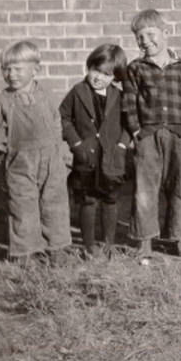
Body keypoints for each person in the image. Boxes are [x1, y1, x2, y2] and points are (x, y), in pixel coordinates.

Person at [123, 9, 181, 258]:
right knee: (145, 188)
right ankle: (144, 239)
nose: (146, 41)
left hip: (180, 137)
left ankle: (179, 236)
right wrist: (137, 131)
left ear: (165, 33)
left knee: (179, 186)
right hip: (148, 136)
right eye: (140, 37)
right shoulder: (136, 68)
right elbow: (129, 102)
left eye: (150, 34)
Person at [0, 41, 71, 263]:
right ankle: (26, 251)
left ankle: (57, 248)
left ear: (36, 70)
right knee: (22, 205)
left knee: (55, 203)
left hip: (51, 159)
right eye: (6, 69)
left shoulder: (47, 95)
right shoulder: (0, 101)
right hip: (19, 161)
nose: (11, 74)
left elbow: (56, 123)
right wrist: (5, 152)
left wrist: (61, 153)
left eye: (17, 69)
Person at [59, 44, 130, 259]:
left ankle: (109, 243)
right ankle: (89, 246)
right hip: (86, 156)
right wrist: (76, 144)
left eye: (106, 74)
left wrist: (122, 145)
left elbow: (130, 123)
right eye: (95, 70)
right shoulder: (77, 92)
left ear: (115, 77)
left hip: (111, 157)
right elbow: (63, 118)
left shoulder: (118, 96)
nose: (99, 77)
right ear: (88, 67)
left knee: (110, 199)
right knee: (87, 200)